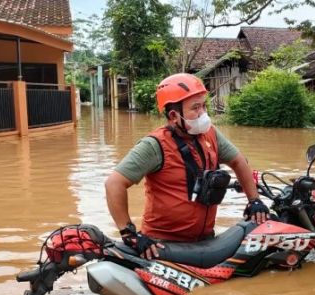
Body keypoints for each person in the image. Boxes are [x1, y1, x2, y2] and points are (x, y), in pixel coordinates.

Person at [105, 73, 268, 260]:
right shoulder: (154, 145)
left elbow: (239, 161)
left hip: (205, 241)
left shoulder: (211, 134)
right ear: (174, 116)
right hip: (162, 245)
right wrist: (129, 234)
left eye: (204, 106)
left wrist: (254, 201)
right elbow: (114, 184)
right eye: (195, 107)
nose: (203, 113)